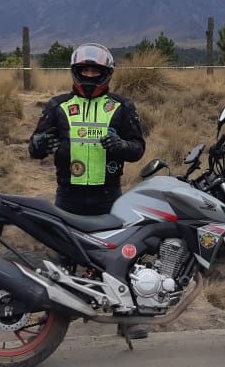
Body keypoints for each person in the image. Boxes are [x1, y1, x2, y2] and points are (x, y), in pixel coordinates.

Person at [28, 43, 148, 339]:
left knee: (121, 257)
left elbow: (138, 149)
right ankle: (51, 320)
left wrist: (121, 146)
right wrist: (39, 145)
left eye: (96, 70)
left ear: (106, 73)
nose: (90, 74)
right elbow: (34, 146)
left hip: (109, 196)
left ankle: (128, 317)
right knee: (62, 259)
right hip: (68, 195)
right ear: (76, 72)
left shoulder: (122, 107)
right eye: (85, 70)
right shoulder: (57, 106)